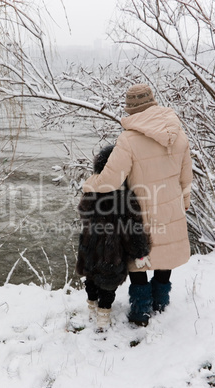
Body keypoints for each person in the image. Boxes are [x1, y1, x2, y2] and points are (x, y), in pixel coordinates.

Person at [83, 83, 193, 327]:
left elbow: (111, 180)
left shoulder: (129, 139)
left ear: (131, 110)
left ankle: (141, 310)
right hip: (172, 206)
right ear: (152, 103)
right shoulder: (178, 134)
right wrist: (184, 201)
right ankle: (161, 303)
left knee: (138, 256)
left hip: (141, 211)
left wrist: (90, 185)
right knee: (165, 255)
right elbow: (186, 177)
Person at [76, 145, 151, 332]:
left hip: (89, 245)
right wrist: (140, 252)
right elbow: (134, 228)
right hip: (112, 250)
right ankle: (103, 318)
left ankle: (91, 307)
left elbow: (83, 213)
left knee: (91, 278)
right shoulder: (124, 196)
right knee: (107, 285)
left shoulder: (90, 188)